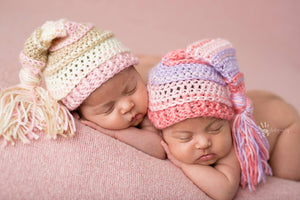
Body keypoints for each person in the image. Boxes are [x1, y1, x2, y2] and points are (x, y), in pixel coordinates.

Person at [147, 38, 300, 199]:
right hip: (262, 101)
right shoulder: (158, 127)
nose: (204, 143)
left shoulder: (229, 146)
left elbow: (224, 191)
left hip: (286, 126)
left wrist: (183, 164)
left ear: (227, 121)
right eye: (186, 137)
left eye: (215, 129)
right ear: (161, 133)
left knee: (287, 174)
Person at [0, 19, 165, 159]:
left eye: (131, 89)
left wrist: (117, 134)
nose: (128, 105)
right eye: (108, 108)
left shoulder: (151, 101)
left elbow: (159, 149)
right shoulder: (80, 112)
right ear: (78, 113)